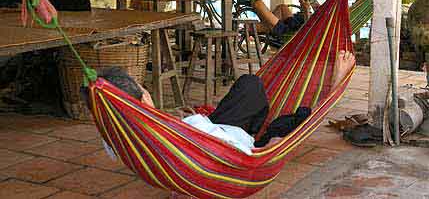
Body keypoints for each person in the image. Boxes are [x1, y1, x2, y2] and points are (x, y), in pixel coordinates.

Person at [88, 50, 354, 155]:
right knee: (293, 122)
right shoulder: (177, 130)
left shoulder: (115, 133)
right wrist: (272, 145)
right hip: (232, 144)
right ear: (144, 98)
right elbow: (243, 155)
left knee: (251, 84)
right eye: (143, 89)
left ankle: (252, 121)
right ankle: (333, 85)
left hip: (211, 131)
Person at [252, 0, 321, 40]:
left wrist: (306, 10)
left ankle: (267, 28)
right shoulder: (328, 13)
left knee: (258, 3)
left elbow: (308, 31)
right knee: (282, 7)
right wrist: (312, 3)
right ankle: (267, 26)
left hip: (291, 32)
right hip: (296, 23)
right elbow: (319, 13)